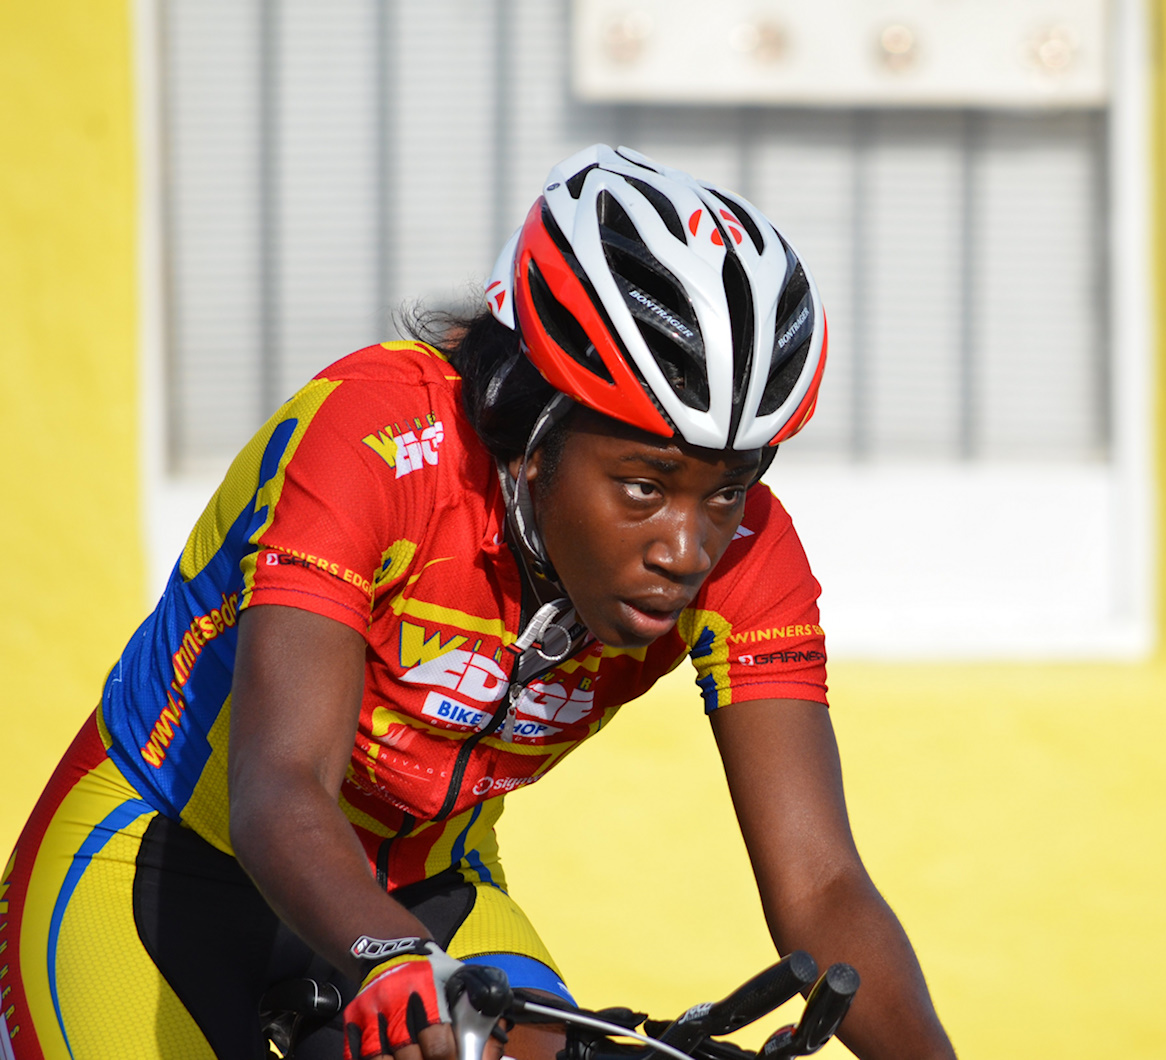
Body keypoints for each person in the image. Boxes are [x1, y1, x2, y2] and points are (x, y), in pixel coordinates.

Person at [0, 145, 956, 1060]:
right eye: (642, 484)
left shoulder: (750, 556)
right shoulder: (373, 439)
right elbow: (281, 786)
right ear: (532, 435)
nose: (686, 545)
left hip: (434, 885)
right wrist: (392, 959)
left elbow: (825, 886)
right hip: (162, 864)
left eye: (726, 488)